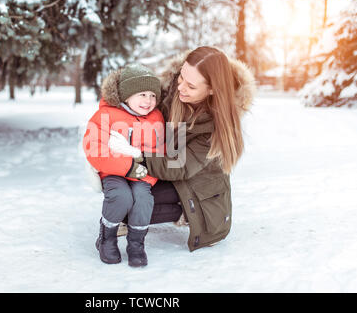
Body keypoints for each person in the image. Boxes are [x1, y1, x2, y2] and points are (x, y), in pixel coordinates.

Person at [108, 46, 256, 251]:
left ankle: (185, 211)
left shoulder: (216, 128)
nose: (181, 88)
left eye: (191, 86)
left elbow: (178, 167)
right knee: (122, 192)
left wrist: (135, 154)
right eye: (181, 78)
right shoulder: (173, 92)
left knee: (131, 206)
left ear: (212, 89)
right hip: (169, 172)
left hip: (196, 187)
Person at [83, 64, 165, 267]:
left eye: (153, 95)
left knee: (143, 199)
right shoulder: (107, 115)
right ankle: (107, 237)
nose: (149, 101)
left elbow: (161, 148)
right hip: (114, 172)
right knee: (121, 197)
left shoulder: (156, 118)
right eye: (142, 94)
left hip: (143, 173)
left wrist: (147, 172)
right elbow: (94, 148)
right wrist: (127, 167)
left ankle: (136, 244)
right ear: (126, 95)